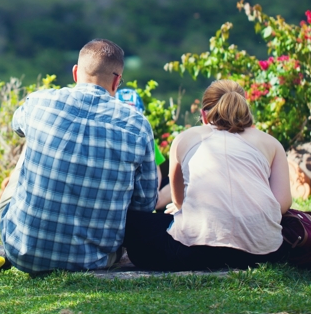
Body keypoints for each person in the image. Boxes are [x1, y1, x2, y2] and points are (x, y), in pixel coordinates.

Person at [0, 39, 159, 275]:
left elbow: (17, 126)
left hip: (24, 252)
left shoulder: (39, 101)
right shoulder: (137, 124)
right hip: (95, 260)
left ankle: (11, 250)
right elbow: (145, 203)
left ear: (76, 72)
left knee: (31, 142)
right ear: (117, 81)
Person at [122, 79, 292, 271]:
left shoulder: (186, 137)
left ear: (203, 115)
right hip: (264, 253)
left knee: (133, 224)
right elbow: (283, 203)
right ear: (243, 108)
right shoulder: (271, 142)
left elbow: (179, 200)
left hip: (195, 252)